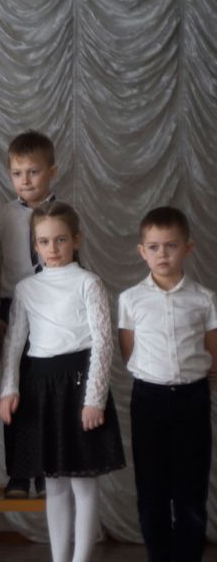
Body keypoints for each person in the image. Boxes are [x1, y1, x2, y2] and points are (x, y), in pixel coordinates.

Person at [0, 201, 125, 562]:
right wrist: (9, 389)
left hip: (79, 384)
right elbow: (13, 345)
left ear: (76, 240)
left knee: (83, 484)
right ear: (34, 244)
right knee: (52, 484)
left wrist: (94, 399)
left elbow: (103, 341)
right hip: (40, 387)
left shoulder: (89, 283)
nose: (52, 249)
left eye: (60, 240)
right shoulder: (25, 289)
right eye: (44, 241)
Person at [118, 207, 215, 562]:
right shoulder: (130, 299)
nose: (163, 254)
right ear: (142, 251)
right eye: (155, 247)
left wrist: (201, 385)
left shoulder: (204, 298)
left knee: (191, 487)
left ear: (187, 248)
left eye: (171, 246)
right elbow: (128, 350)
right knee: (152, 487)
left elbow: (212, 350)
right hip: (149, 398)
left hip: (192, 397)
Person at [0, 130, 58, 499]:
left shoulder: (65, 214)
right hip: (13, 307)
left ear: (51, 172)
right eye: (18, 173)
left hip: (53, 311)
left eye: (33, 172)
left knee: (49, 390)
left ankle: (48, 468)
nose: (25, 181)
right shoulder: (3, 214)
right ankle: (19, 471)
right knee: (13, 387)